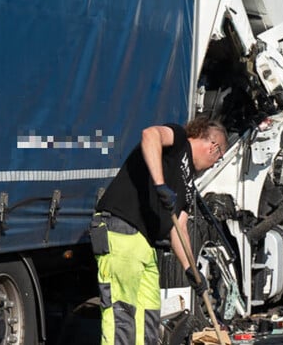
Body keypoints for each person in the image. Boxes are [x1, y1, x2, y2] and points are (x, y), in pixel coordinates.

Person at [90, 117, 227, 345]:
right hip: (122, 230)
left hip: (145, 245)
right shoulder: (179, 141)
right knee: (122, 314)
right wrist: (160, 183)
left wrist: (191, 269)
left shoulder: (189, 183)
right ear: (213, 146)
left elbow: (179, 228)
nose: (215, 163)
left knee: (148, 316)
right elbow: (149, 135)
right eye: (218, 158)